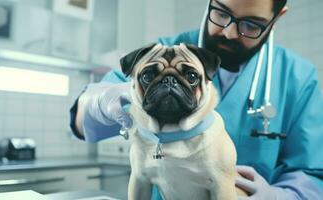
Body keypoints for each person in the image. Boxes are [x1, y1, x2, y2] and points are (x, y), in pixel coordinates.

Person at [69, 0, 323, 199]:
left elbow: (314, 174)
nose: (229, 32)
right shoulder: (161, 51)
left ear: (276, 19)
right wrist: (98, 103)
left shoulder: (298, 78)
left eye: (250, 25)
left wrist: (279, 196)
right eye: (221, 13)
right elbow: (82, 121)